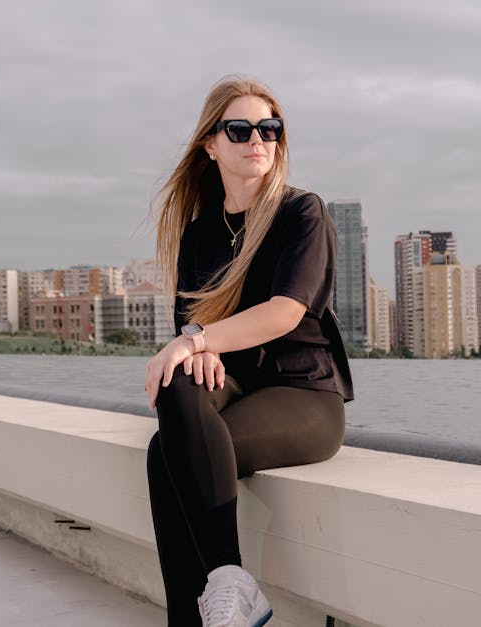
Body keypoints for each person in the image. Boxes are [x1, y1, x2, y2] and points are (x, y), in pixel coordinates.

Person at [144, 76, 354, 627]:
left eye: (269, 129)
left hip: (303, 397)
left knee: (169, 458)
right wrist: (199, 345)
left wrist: (201, 339)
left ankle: (216, 600)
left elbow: (286, 311)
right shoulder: (199, 235)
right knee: (176, 386)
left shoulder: (301, 213)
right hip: (232, 390)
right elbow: (189, 323)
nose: (257, 139)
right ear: (210, 144)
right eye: (239, 129)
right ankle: (231, 586)